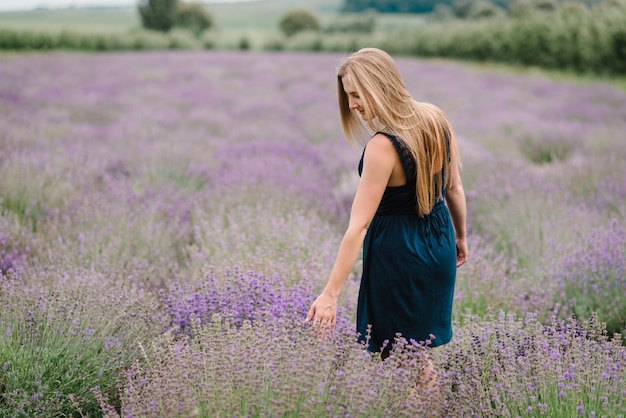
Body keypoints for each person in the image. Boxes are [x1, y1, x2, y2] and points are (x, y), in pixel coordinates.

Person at [305, 47, 467, 383]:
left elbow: (358, 226)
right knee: (415, 357)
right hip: (438, 245)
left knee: (402, 360)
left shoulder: (383, 146)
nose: (351, 105)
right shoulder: (436, 119)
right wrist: (461, 237)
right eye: (347, 96)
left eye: (355, 94)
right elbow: (454, 189)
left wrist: (330, 295)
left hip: (400, 256)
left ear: (378, 84)